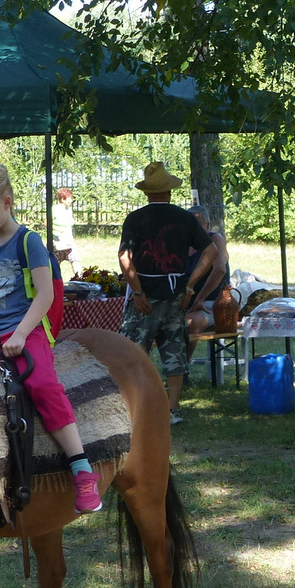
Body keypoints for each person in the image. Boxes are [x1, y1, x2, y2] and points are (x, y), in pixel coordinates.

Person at [0, 163, 101, 514]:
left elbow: (45, 296)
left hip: (25, 328)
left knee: (42, 384)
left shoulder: (28, 241)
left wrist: (21, 333)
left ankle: (80, 467)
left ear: (7, 202)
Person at [117, 162, 214, 425]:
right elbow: (210, 253)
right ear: (169, 191)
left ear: (147, 193)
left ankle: (136, 406)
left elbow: (125, 258)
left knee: (134, 351)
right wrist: (190, 285)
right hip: (175, 297)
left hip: (145, 297)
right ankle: (173, 409)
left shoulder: (135, 219)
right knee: (174, 350)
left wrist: (137, 293)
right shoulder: (185, 218)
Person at [183, 204, 229, 341]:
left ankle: (184, 362)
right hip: (186, 304)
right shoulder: (182, 244)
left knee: (191, 323)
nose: (194, 229)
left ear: (207, 225)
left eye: (199, 224)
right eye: (190, 225)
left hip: (212, 304)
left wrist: (200, 298)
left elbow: (220, 270)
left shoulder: (216, 240)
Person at [50, 186, 80, 276]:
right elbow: (47, 223)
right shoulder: (55, 209)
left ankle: (79, 278)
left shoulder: (69, 210)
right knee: (55, 264)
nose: (71, 201)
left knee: (75, 260)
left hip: (69, 242)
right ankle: (56, 282)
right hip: (58, 243)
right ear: (63, 199)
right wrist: (58, 229)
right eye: (69, 198)